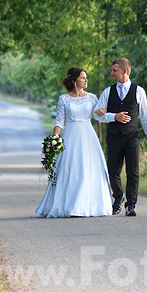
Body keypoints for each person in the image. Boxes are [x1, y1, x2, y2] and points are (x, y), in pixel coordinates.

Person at [35, 67, 113, 217]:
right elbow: (59, 121)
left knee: (86, 169)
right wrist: (55, 140)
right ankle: (69, 204)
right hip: (70, 136)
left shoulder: (91, 98)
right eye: (83, 77)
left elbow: (100, 117)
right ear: (74, 80)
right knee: (71, 169)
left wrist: (113, 116)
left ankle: (83, 205)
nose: (86, 80)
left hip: (88, 136)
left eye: (86, 77)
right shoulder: (64, 99)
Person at [94, 58, 147, 217]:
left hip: (131, 136)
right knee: (113, 170)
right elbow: (97, 115)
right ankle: (118, 197)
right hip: (113, 136)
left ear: (124, 71)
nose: (111, 73)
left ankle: (131, 204)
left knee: (132, 171)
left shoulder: (139, 91)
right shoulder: (108, 92)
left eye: (114, 70)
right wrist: (114, 116)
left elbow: (145, 117)